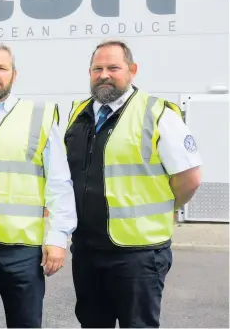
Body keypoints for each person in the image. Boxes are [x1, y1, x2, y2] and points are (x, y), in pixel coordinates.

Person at [64, 40, 202, 328]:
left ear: (132, 70)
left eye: (113, 67)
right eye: (97, 68)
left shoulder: (158, 114)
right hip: (88, 250)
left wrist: (165, 206)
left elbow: (190, 178)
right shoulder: (77, 113)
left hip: (138, 254)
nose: (104, 74)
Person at [0, 43, 78, 328]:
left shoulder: (38, 116)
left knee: (25, 323)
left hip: (22, 249)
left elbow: (59, 181)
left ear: (14, 74)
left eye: (1, 68)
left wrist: (57, 238)